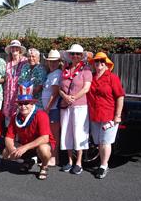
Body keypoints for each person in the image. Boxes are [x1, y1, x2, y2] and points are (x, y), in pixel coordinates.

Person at [3, 81, 56, 180]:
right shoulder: (15, 117)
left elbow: (45, 138)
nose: (23, 106)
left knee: (43, 149)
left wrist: (24, 148)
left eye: (26, 103)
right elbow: (8, 137)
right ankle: (29, 160)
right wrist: (12, 150)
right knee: (5, 152)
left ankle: (44, 166)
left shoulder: (41, 115)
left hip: (41, 145)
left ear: (32, 104)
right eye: (20, 104)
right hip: (26, 145)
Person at [87, 52, 125, 179]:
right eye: (96, 61)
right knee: (98, 142)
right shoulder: (91, 77)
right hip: (94, 115)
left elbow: (120, 96)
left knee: (105, 142)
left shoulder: (112, 77)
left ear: (106, 63)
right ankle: (101, 162)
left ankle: (103, 166)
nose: (99, 64)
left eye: (102, 61)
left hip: (108, 115)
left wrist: (117, 116)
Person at [59, 44, 92, 175]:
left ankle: (79, 162)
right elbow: (60, 89)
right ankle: (69, 161)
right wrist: (65, 97)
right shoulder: (65, 70)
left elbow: (86, 88)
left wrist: (73, 98)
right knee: (66, 133)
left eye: (78, 54)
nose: (75, 56)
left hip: (80, 106)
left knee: (79, 133)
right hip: (65, 105)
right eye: (73, 54)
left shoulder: (86, 70)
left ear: (81, 56)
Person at [41, 49, 63, 166]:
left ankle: (54, 158)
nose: (52, 63)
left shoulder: (57, 73)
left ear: (59, 62)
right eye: (50, 61)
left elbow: (55, 93)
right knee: (49, 134)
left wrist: (48, 108)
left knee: (54, 135)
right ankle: (50, 156)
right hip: (49, 108)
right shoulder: (51, 74)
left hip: (53, 109)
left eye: (55, 61)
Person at [3, 40, 28, 125]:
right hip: (9, 94)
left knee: (20, 115)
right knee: (8, 119)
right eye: (12, 48)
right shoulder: (8, 63)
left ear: (20, 50)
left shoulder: (25, 61)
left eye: (16, 48)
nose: (14, 50)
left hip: (19, 93)